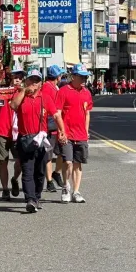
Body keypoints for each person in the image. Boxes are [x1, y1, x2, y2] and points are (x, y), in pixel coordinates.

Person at [10, 69, 66, 213]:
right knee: (27, 171)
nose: (34, 83)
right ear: (26, 81)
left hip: (41, 139)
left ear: (41, 83)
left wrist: (62, 131)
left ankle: (37, 197)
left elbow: (56, 115)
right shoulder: (21, 96)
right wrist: (23, 91)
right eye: (31, 80)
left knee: (40, 172)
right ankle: (30, 199)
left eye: (37, 80)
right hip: (25, 139)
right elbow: (13, 106)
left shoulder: (45, 97)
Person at [56, 63, 93, 204]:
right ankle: (66, 187)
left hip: (81, 134)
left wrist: (86, 131)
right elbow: (57, 113)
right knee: (68, 162)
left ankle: (76, 191)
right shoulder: (64, 91)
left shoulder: (86, 93)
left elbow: (87, 113)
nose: (84, 80)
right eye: (82, 77)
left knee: (78, 164)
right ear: (74, 76)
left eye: (85, 77)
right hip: (67, 134)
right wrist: (61, 131)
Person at [0, 64, 25, 201]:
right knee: (3, 162)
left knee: (20, 162)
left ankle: (15, 179)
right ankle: (5, 189)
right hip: (1, 131)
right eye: (14, 76)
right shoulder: (3, 91)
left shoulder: (25, 92)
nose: (17, 79)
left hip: (19, 132)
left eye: (20, 76)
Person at [41, 65, 66, 192]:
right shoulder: (46, 87)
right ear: (57, 76)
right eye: (60, 75)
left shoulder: (55, 87)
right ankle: (50, 181)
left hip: (57, 124)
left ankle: (56, 173)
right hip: (50, 125)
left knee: (62, 153)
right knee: (49, 155)